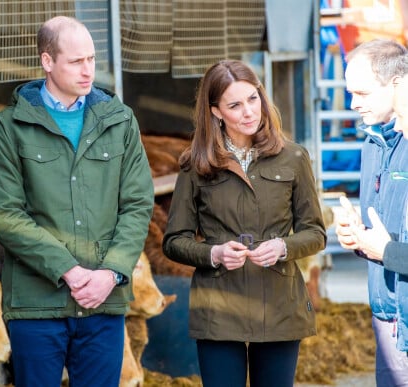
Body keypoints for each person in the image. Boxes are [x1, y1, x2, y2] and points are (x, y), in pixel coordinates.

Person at [0, 16, 154, 387]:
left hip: (103, 301)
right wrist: (70, 271)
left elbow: (138, 204)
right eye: (76, 61)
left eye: (91, 59)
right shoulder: (9, 127)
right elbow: (6, 215)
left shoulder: (120, 121)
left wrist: (110, 273)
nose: (88, 70)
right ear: (47, 61)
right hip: (36, 305)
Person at [161, 59, 326, 387]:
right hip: (219, 305)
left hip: (279, 302)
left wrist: (283, 246)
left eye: (253, 99)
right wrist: (214, 254)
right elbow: (174, 240)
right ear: (216, 112)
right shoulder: (196, 164)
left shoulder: (293, 157)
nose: (249, 111)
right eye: (235, 105)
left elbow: (315, 232)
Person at [335, 39, 408, 386]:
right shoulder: (372, 145)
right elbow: (379, 230)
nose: (353, 104)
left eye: (362, 93)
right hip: (386, 314)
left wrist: (388, 252)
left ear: (397, 84)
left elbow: (390, 246)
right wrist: (356, 236)